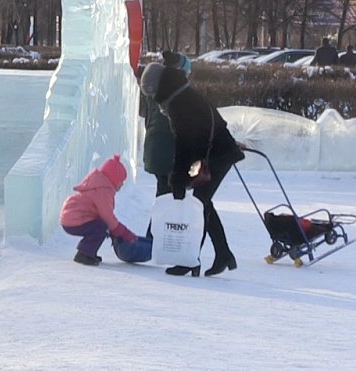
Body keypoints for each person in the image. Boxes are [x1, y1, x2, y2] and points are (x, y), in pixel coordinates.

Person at [140, 62, 246, 277]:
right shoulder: (181, 95)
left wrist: (178, 178)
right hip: (216, 154)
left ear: (159, 87)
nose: (153, 99)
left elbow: (185, 143)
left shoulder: (180, 102)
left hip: (217, 156)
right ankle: (222, 254)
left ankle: (190, 260)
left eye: (152, 93)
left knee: (199, 205)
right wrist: (181, 175)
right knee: (202, 203)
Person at [143, 51, 192, 237]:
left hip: (156, 149)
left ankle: (157, 235)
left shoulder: (155, 87)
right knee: (167, 194)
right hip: (166, 152)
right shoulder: (171, 93)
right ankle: (156, 237)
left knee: (165, 192)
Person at [59, 154, 138, 266]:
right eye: (121, 181)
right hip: (74, 218)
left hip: (70, 217)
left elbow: (102, 216)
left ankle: (88, 252)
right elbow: (108, 217)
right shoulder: (104, 190)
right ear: (113, 178)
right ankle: (84, 254)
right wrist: (124, 233)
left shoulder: (99, 184)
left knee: (100, 226)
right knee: (100, 228)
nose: (122, 184)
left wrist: (113, 232)